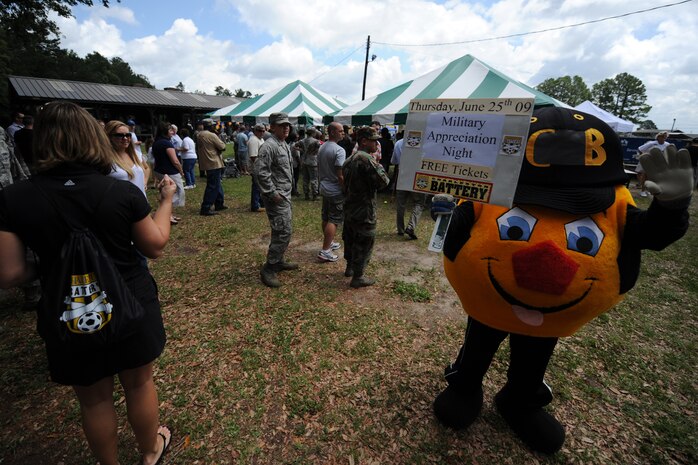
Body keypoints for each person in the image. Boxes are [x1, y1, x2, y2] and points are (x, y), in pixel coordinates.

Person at [0, 101, 175, 465]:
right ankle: (149, 451)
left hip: (70, 307)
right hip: (131, 299)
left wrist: (56, 265)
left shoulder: (15, 197)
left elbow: (10, 273)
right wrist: (166, 200)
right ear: (93, 138)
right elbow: (155, 245)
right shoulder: (121, 191)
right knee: (139, 382)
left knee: (93, 398)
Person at [254, 112, 299, 288]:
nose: (286, 127)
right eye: (281, 125)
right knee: (283, 231)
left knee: (283, 229)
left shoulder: (283, 144)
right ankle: (270, 267)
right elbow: (260, 172)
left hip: (285, 195)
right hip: (277, 197)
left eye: (287, 125)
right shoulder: (269, 146)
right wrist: (272, 193)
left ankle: (278, 260)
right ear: (272, 127)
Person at [342, 127, 390, 288]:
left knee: (350, 237)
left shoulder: (349, 159)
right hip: (364, 209)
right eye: (373, 140)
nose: (377, 143)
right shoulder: (365, 159)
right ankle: (358, 276)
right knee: (364, 240)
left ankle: (349, 267)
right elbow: (383, 182)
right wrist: (380, 167)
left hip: (350, 207)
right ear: (363, 141)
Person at [317, 122, 346, 262]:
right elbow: (340, 174)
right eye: (341, 131)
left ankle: (330, 242)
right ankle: (325, 250)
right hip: (335, 189)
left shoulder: (322, 147)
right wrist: (346, 188)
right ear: (333, 132)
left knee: (326, 217)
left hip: (324, 187)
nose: (343, 133)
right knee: (334, 220)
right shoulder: (339, 150)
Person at [391, 136, 429, 240]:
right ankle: (411, 226)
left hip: (402, 174)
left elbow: (394, 161)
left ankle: (400, 229)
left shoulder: (398, 143)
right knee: (419, 202)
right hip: (417, 175)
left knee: (401, 204)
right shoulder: (424, 143)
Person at [152, 122, 185, 224]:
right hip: (170, 172)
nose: (173, 132)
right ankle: (167, 215)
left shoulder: (156, 142)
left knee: (165, 193)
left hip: (159, 171)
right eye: (170, 130)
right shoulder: (167, 143)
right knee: (177, 193)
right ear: (165, 131)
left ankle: (168, 214)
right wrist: (181, 170)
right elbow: (175, 161)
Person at [105, 120, 148, 196]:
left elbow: (147, 168)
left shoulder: (135, 154)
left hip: (142, 202)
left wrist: (144, 182)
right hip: (121, 205)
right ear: (109, 137)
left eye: (128, 135)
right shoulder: (105, 159)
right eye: (120, 135)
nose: (125, 138)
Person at [196, 119, 227, 216]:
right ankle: (206, 207)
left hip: (206, 162)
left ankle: (219, 203)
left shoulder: (199, 135)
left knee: (216, 184)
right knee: (213, 186)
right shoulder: (211, 135)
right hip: (213, 162)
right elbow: (222, 147)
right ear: (210, 126)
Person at [636, 131, 671, 197]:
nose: (663, 138)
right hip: (649, 162)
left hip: (658, 163)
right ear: (658, 137)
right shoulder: (652, 143)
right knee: (645, 176)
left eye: (665, 137)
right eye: (662, 137)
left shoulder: (667, 144)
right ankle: (642, 191)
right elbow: (640, 149)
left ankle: (647, 190)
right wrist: (643, 158)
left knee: (652, 177)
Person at [247, 124, 266, 212]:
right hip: (257, 167)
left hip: (261, 166)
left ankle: (260, 203)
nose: (262, 132)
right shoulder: (253, 140)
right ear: (255, 131)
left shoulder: (260, 139)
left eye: (263, 130)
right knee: (257, 186)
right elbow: (253, 156)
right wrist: (261, 167)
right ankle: (255, 206)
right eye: (260, 130)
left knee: (260, 186)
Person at [300, 128, 320, 200]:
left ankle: (306, 194)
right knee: (314, 178)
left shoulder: (302, 141)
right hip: (313, 161)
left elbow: (295, 145)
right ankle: (314, 194)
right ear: (313, 133)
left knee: (305, 179)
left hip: (304, 160)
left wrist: (302, 150)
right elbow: (319, 150)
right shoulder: (316, 141)